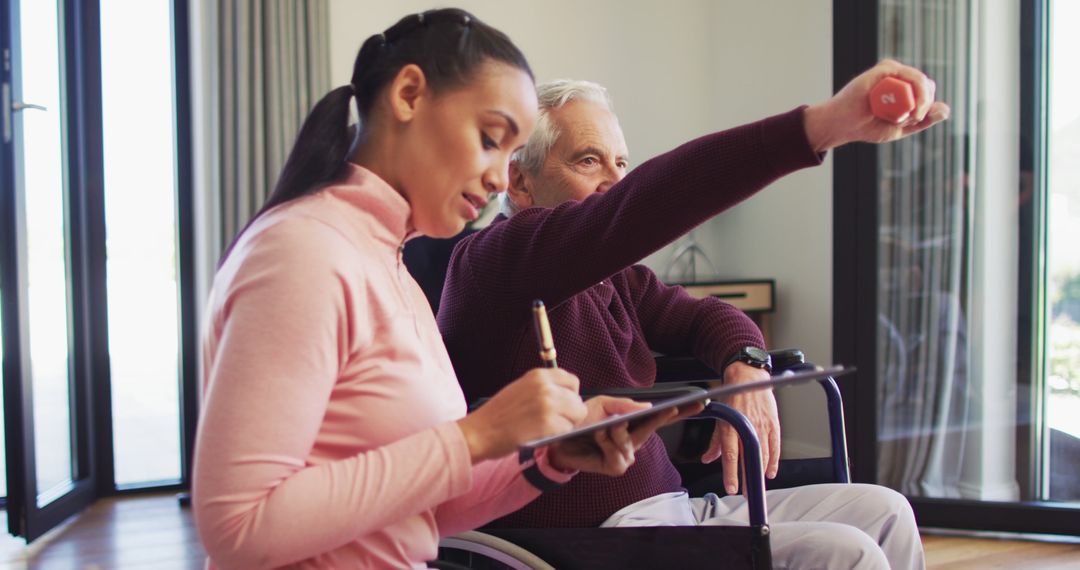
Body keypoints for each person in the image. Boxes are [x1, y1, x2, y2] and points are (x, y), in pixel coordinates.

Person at [191, 9, 684, 569]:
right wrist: (478, 434)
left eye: (510, 153)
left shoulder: (389, 264)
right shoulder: (301, 253)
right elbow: (240, 526)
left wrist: (547, 460)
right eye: (490, 139)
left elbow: (420, 512)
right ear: (408, 95)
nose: (502, 178)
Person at [439, 64, 948, 569]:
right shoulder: (494, 261)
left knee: (885, 510)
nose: (616, 181)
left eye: (622, 163)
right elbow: (643, 203)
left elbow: (708, 316)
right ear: (519, 182)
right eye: (589, 161)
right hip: (594, 538)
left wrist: (747, 363)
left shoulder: (618, 278)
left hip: (674, 510)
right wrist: (823, 125)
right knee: (845, 552)